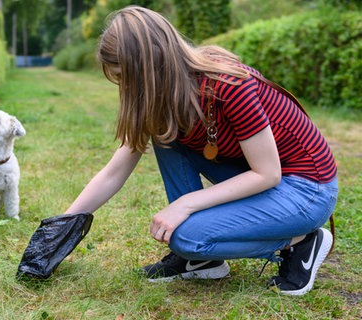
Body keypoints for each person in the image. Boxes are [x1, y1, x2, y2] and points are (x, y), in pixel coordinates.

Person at [64, 6, 338, 296]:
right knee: (165, 133)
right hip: (260, 175)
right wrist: (63, 224)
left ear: (148, 68)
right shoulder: (165, 98)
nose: (124, 88)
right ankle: (202, 261)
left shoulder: (228, 85)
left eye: (125, 78)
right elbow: (115, 171)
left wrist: (186, 204)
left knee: (185, 236)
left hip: (306, 189)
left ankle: (301, 242)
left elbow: (268, 174)